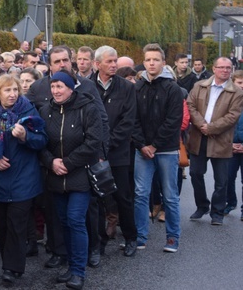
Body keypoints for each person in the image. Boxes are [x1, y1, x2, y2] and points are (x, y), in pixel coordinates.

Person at [38, 71, 101, 290]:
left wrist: (68, 162)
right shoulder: (45, 111)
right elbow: (40, 143)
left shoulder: (87, 108)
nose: (56, 91)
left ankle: (78, 272)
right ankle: (70, 264)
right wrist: (51, 162)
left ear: (71, 87)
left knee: (75, 220)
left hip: (80, 174)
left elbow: (94, 142)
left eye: (60, 86)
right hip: (55, 175)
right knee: (63, 221)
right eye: (53, 87)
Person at [0, 75, 47, 284]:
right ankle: (9, 262)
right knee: (3, 224)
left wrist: (26, 137)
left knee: (17, 223)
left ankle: (11, 268)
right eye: (7, 90)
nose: (13, 94)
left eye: (15, 89)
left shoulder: (28, 110)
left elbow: (42, 140)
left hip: (24, 176)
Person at [132, 43, 184, 254]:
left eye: (155, 60)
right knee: (140, 193)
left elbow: (173, 121)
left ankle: (172, 237)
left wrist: (154, 145)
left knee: (170, 196)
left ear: (163, 63)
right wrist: (142, 145)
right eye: (148, 60)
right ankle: (140, 236)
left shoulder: (173, 89)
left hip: (166, 150)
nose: (151, 63)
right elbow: (132, 119)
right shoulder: (136, 87)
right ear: (143, 62)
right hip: (142, 150)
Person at [90, 46, 138, 256]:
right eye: (109, 61)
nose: (113, 65)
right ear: (97, 64)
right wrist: (95, 147)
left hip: (118, 152)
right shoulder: (85, 85)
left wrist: (107, 146)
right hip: (92, 152)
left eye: (115, 61)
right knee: (97, 199)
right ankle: (99, 241)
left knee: (122, 196)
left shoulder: (126, 87)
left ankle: (130, 238)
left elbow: (128, 121)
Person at [186, 57, 243, 225]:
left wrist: (211, 128)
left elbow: (233, 116)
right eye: (221, 67)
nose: (225, 70)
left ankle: (217, 212)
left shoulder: (237, 92)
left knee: (221, 179)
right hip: (199, 138)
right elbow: (190, 106)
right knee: (195, 173)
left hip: (222, 139)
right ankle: (202, 205)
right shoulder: (199, 86)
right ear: (214, 68)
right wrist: (202, 125)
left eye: (228, 68)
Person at [226, 70, 243, 219]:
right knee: (227, 178)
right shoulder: (227, 100)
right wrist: (229, 143)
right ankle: (230, 202)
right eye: (239, 82)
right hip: (230, 145)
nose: (242, 86)